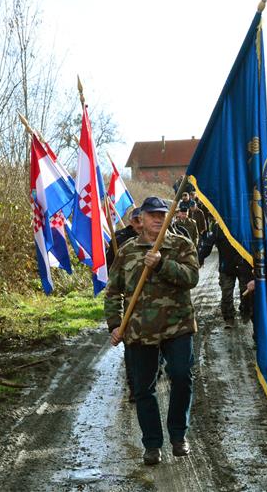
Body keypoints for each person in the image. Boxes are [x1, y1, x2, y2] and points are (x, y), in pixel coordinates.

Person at [104, 196, 200, 466]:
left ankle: (179, 436)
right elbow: (113, 292)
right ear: (141, 219)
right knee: (143, 389)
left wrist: (160, 264)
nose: (158, 219)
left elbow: (191, 278)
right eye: (152, 214)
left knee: (182, 376)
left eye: (162, 214)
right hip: (140, 330)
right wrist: (115, 324)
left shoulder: (181, 245)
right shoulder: (127, 251)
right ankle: (152, 445)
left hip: (177, 325)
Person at [105, 207, 143, 400]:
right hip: (131, 305)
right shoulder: (119, 239)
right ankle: (134, 386)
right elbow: (110, 267)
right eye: (136, 221)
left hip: (156, 310)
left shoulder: (156, 238)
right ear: (131, 221)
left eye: (141, 219)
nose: (139, 224)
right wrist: (115, 323)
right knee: (132, 351)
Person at [198, 221, 253, 327]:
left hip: (243, 267)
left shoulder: (244, 223)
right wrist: (199, 258)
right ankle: (229, 317)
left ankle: (245, 311)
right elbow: (208, 244)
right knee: (226, 294)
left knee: (246, 292)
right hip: (226, 266)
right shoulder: (218, 227)